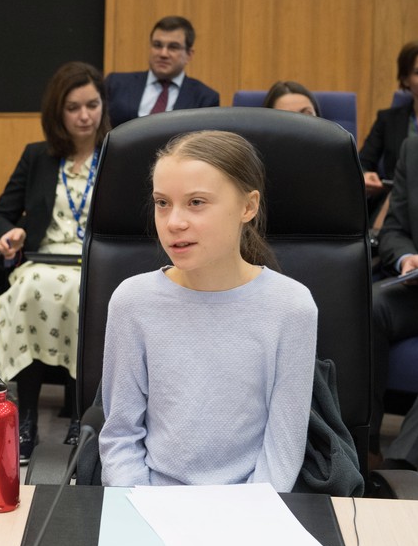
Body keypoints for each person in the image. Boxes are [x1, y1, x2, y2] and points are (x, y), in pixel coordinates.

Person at [99, 130, 318, 492]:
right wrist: (139, 508)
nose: (174, 223)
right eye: (162, 203)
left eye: (197, 202)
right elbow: (120, 435)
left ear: (248, 207)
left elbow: (283, 447)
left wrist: (249, 518)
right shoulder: (133, 301)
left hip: (251, 508)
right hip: (151, 502)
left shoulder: (291, 307)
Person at [0, 61, 111, 464]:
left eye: (92, 105)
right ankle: (26, 420)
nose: (85, 115)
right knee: (27, 291)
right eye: (73, 107)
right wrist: (10, 234)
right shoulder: (37, 156)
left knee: (79, 295)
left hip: (95, 263)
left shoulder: (117, 154)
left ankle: (79, 416)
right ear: (58, 113)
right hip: (42, 260)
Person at [370, 133, 418, 471]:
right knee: (371, 305)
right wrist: (407, 258)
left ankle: (398, 465)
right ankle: (363, 447)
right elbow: (393, 230)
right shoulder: (416, 149)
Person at [359, 38, 418, 226]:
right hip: (397, 204)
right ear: (406, 78)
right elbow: (363, 162)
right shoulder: (388, 120)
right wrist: (366, 176)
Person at [105, 16, 219, 128]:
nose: (163, 54)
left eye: (173, 47)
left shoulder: (205, 99)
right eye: (157, 45)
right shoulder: (116, 84)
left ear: (189, 55)